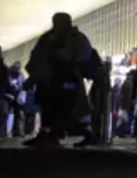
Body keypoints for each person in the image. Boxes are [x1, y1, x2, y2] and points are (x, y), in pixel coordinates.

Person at [25, 13, 95, 147]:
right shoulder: (73, 37)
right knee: (56, 107)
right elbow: (86, 54)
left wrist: (35, 75)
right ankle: (53, 133)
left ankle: (55, 133)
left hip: (59, 77)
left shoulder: (58, 37)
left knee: (60, 107)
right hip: (58, 78)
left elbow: (39, 56)